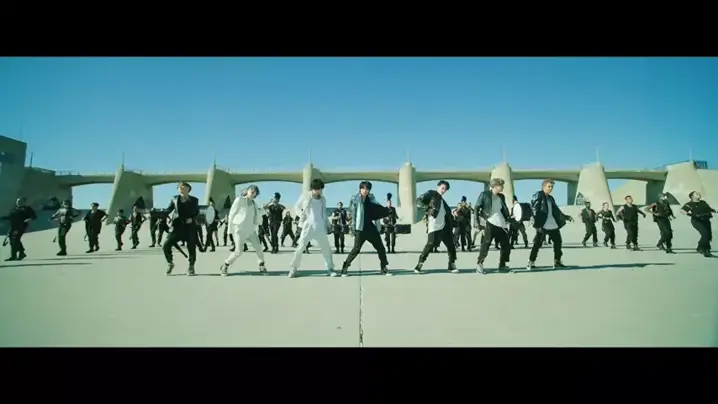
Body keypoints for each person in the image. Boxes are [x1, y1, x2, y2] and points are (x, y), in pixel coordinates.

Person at [340, 181, 392, 276]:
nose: (365, 190)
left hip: (370, 227)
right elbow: (351, 213)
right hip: (360, 228)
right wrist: (352, 228)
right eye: (363, 188)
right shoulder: (355, 199)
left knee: (380, 248)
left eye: (367, 189)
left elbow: (378, 208)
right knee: (356, 249)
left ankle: (384, 267)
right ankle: (345, 267)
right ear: (360, 189)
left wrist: (387, 208)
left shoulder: (371, 198)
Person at [288, 179, 335, 278]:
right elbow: (296, 206)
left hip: (320, 227)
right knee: (300, 247)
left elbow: (324, 213)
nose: (318, 191)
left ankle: (330, 268)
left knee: (326, 249)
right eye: (316, 189)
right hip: (307, 226)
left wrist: (328, 224)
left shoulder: (323, 199)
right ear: (312, 189)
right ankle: (293, 268)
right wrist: (301, 215)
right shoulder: (305, 196)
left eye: (320, 189)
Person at [219, 185, 268, 276]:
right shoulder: (239, 200)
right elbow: (231, 214)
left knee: (258, 247)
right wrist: (230, 230)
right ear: (247, 191)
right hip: (239, 230)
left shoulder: (254, 204)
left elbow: (257, 214)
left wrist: (264, 210)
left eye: (255, 191)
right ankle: (225, 265)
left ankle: (261, 265)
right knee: (238, 251)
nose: (253, 191)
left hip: (251, 230)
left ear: (256, 194)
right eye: (251, 189)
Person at [526, 179, 574, 270]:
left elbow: (556, 211)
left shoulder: (551, 198)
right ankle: (531, 262)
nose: (551, 188)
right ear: (543, 186)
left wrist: (566, 217)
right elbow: (534, 207)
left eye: (552, 187)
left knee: (558, 242)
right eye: (549, 186)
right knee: (537, 244)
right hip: (542, 223)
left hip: (552, 223)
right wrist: (534, 219)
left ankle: (557, 261)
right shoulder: (538, 195)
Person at [414, 180, 458, 274]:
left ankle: (451, 265)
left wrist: (454, 221)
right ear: (438, 187)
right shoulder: (431, 194)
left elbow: (447, 214)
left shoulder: (443, 202)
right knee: (430, 245)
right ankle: (419, 264)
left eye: (445, 189)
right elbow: (418, 201)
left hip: (445, 227)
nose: (443, 190)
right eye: (442, 188)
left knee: (451, 245)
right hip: (434, 225)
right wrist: (428, 209)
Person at [474, 178, 512, 274]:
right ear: (495, 186)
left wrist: (508, 218)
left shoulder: (501, 196)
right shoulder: (485, 194)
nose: (502, 187)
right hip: (490, 222)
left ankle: (502, 265)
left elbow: (504, 209)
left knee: (506, 245)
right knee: (486, 244)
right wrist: (477, 223)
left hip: (501, 223)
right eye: (501, 185)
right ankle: (479, 264)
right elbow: (477, 208)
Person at [163, 182, 200, 276]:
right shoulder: (174, 199)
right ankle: (170, 263)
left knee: (191, 247)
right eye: (179, 187)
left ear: (188, 189)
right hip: (177, 226)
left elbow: (197, 212)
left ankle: (191, 266)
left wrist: (192, 219)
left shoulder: (195, 200)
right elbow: (168, 210)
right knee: (166, 245)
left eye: (183, 187)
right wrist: (158, 212)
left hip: (189, 226)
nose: (181, 189)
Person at [680, 191, 716, 257]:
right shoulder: (690, 204)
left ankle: (701, 248)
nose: (699, 194)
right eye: (696, 194)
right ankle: (704, 250)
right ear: (692, 196)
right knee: (705, 234)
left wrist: (715, 211)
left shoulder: (703, 202)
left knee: (708, 236)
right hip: (697, 221)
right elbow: (682, 211)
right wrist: (692, 215)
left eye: (699, 193)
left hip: (706, 220)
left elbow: (709, 209)